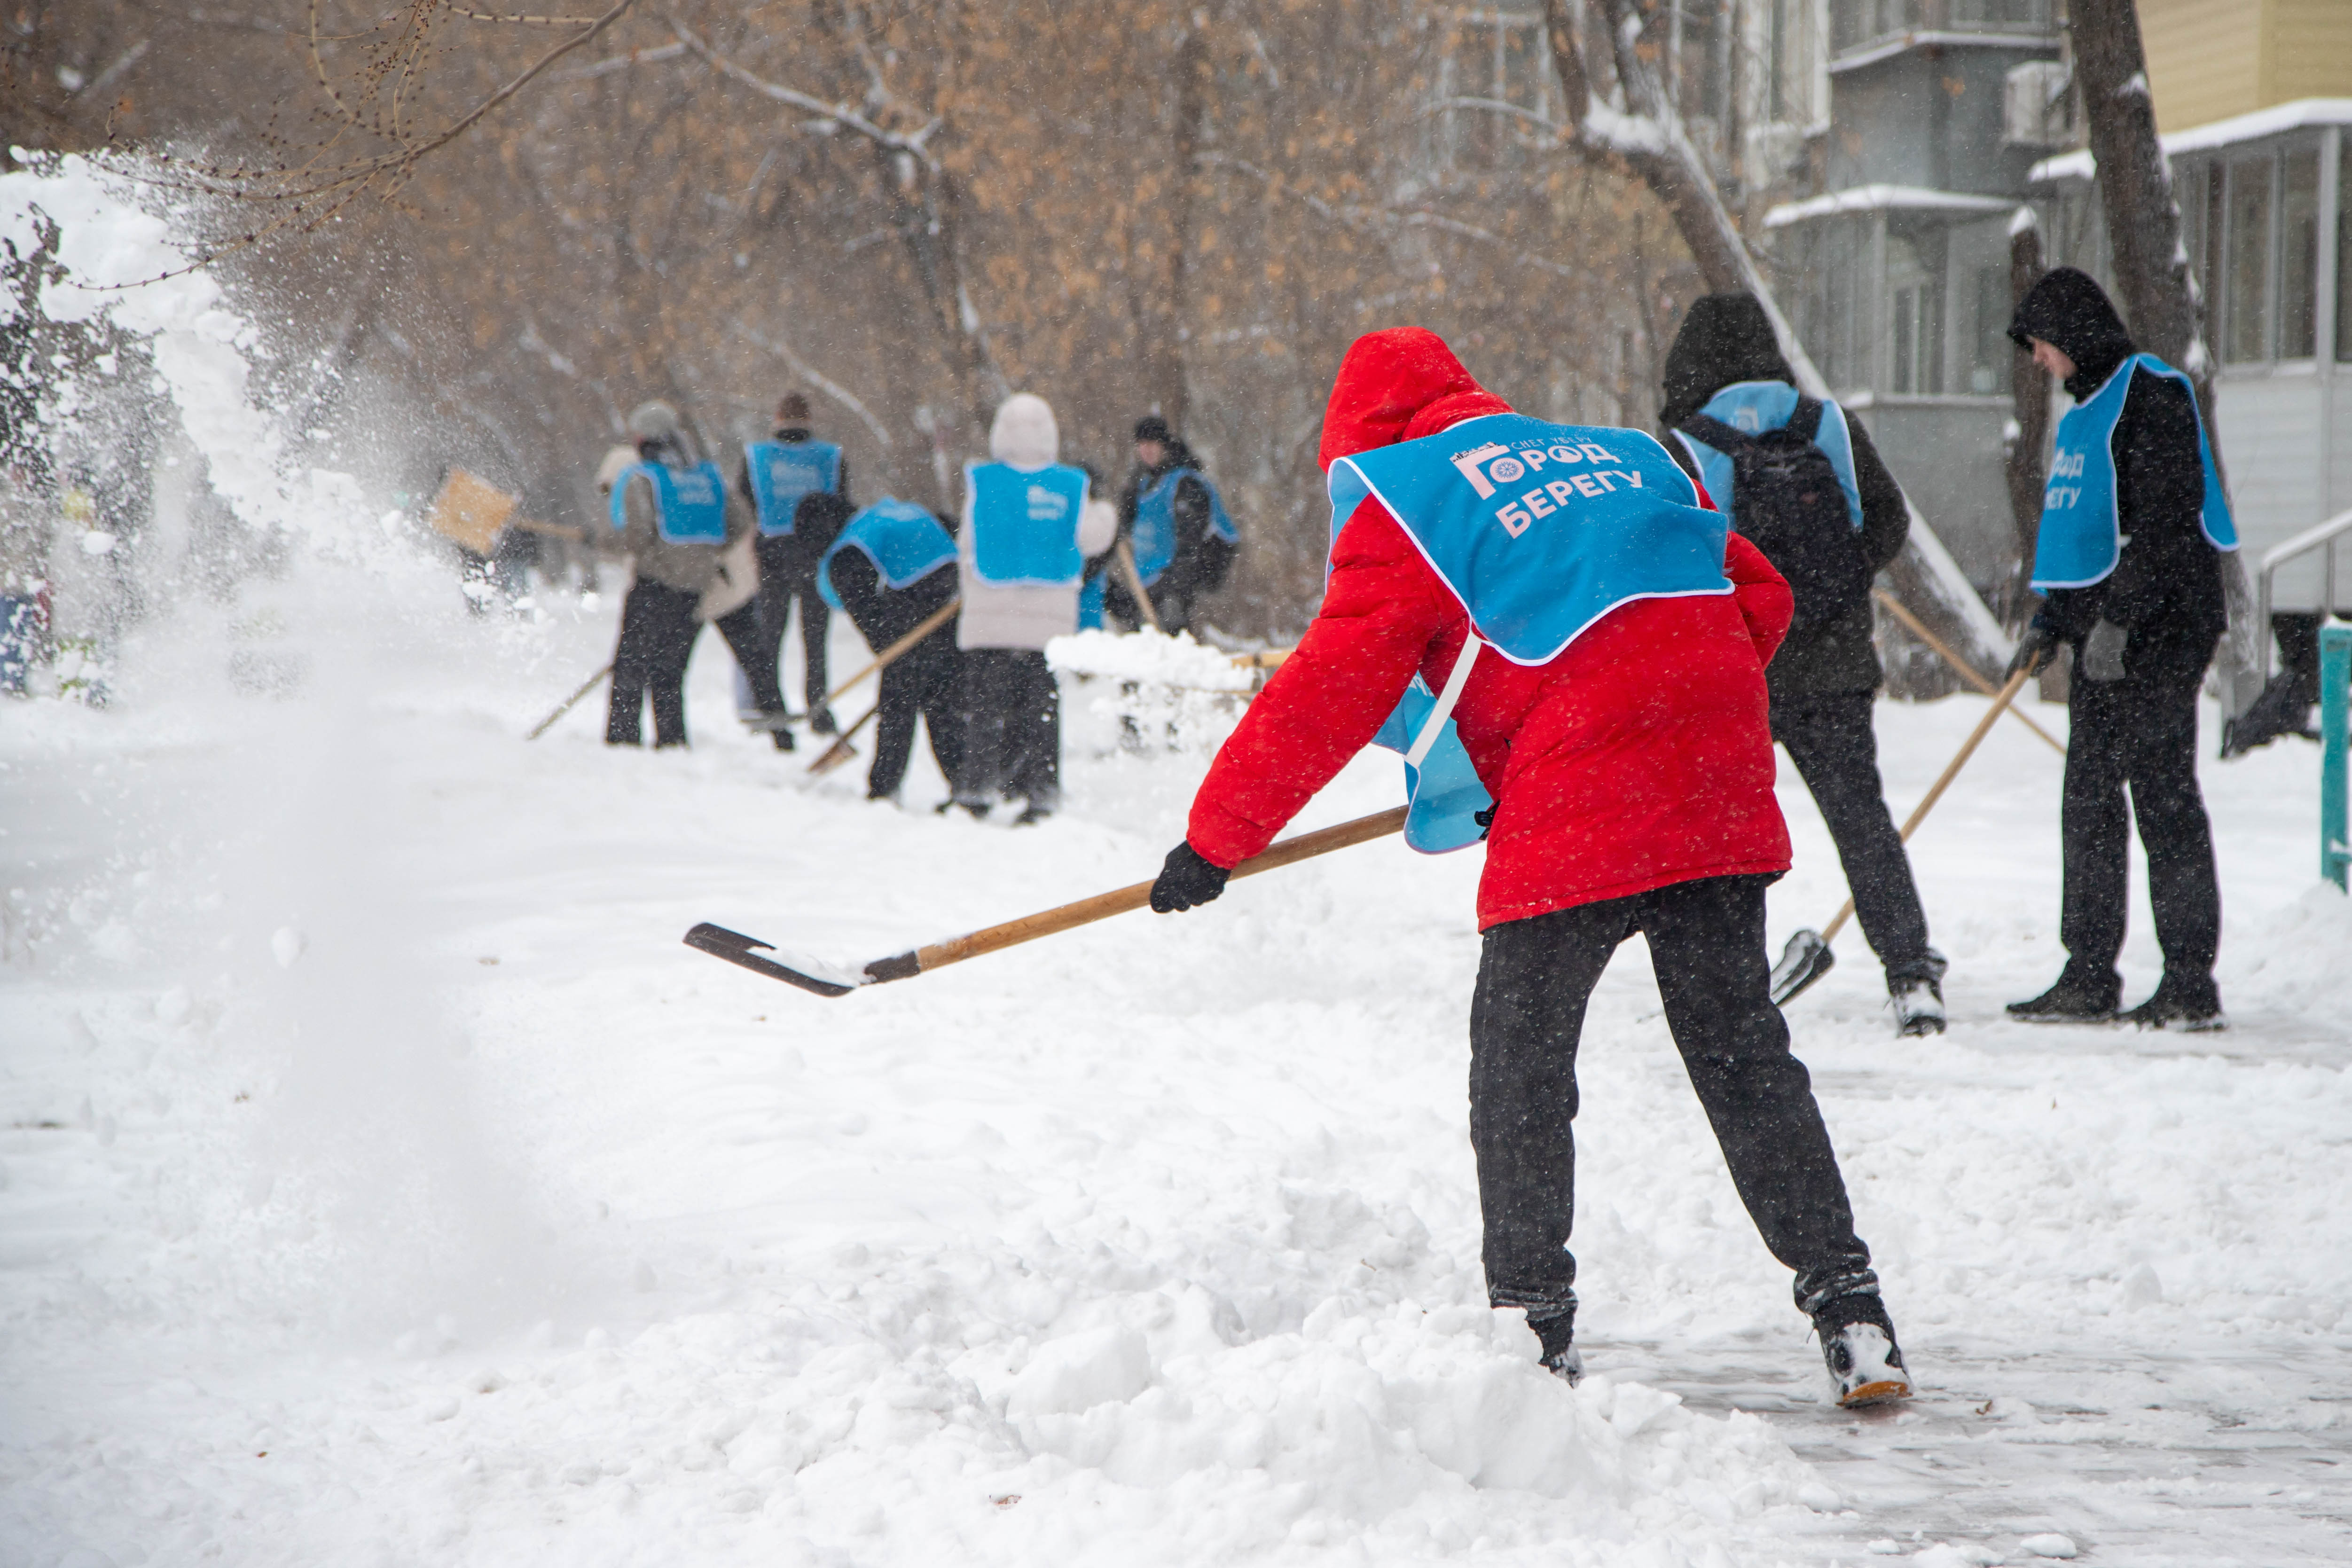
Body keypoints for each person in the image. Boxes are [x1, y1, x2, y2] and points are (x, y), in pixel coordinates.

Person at [1147, 327, 1909, 1407]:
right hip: (1708, 768)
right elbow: (1758, 593)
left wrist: (1213, 839)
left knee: (1518, 1059)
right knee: (1739, 1049)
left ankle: (1531, 1332)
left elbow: (1326, 688)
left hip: (1588, 794)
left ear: (1356, 435)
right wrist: (1645, 705)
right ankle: (1850, 1309)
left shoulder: (1406, 499)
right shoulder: (1627, 457)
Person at [1660, 293, 1947, 1036]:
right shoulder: (1831, 425)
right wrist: (1840, 583)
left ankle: (1728, 980)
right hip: (1837, 666)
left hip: (1738, 673)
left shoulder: (1684, 443)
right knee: (1862, 822)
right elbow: (1889, 519)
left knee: (1724, 831)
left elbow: (1669, 559)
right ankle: (1911, 972)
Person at [2004, 267, 2236, 1031]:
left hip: (2164, 629)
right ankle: (2087, 973)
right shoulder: (2081, 413)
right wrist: (2051, 622)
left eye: (2039, 346)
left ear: (2069, 335)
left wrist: (2122, 621)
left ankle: (2187, 982)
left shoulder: (2152, 393)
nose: (2037, 361)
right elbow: (2088, 537)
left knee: (2161, 799)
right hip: (2109, 630)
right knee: (2089, 801)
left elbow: (2165, 524)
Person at [952, 393, 1117, 824]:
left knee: (985, 711)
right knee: (1040, 713)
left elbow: (967, 542)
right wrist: (1106, 507)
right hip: (1048, 624)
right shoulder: (1070, 485)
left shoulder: (982, 481)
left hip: (989, 619)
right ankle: (1039, 793)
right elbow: (1093, 538)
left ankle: (977, 788)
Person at [600, 400, 785, 748]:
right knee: (670, 671)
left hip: (655, 586)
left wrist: (599, 541)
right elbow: (739, 523)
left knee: (630, 667)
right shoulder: (708, 477)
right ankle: (672, 740)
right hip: (694, 590)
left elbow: (637, 538)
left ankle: (623, 741)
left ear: (644, 439)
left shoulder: (646, 479)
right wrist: (702, 553)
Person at [816, 497, 964, 803]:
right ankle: (964, 784)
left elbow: (859, 601)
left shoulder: (850, 547)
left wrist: (889, 650)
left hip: (916, 603)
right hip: (949, 600)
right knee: (943, 704)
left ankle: (885, 789)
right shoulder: (881, 515)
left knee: (898, 706)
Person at [738, 392, 852, 744]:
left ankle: (772, 710)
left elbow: (745, 503)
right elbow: (842, 505)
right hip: (816, 554)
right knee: (815, 638)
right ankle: (818, 709)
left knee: (771, 634)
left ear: (777, 418)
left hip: (773, 553)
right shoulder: (831, 458)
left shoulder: (756, 457)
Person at [1108, 415, 1239, 635]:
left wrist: (1174, 590)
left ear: (1165, 446)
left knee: (1174, 639)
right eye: (1142, 445)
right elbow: (1122, 526)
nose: (1146, 450)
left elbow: (1191, 542)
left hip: (1177, 582)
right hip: (1145, 580)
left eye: (1152, 444)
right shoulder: (1140, 483)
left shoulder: (1186, 484)